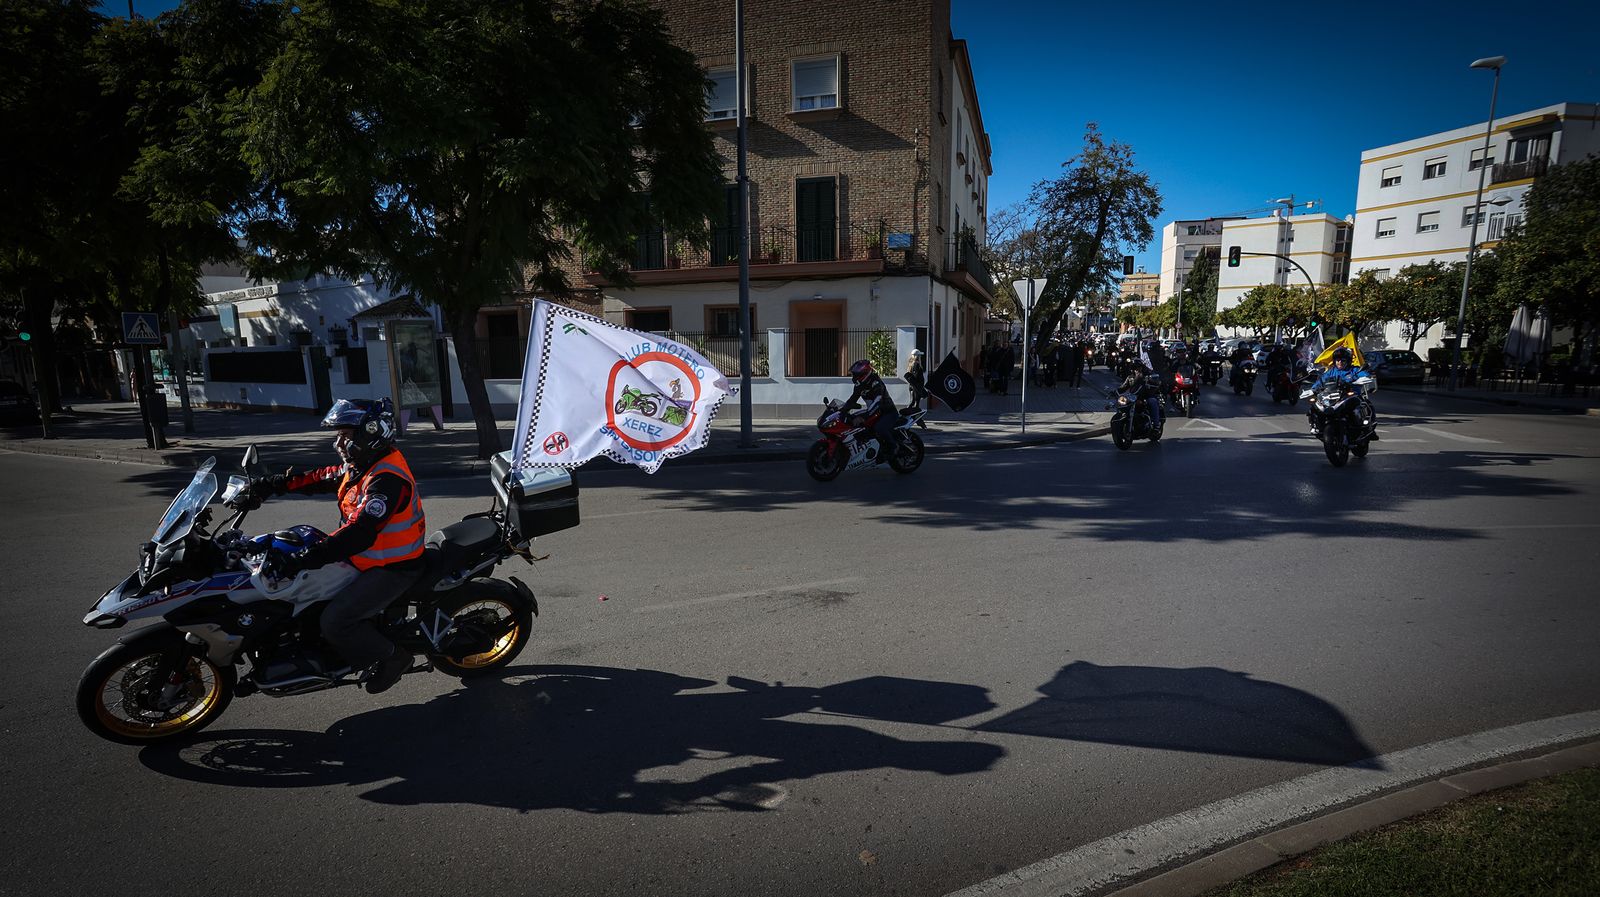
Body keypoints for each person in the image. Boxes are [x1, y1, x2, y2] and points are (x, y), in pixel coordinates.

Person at [229, 397, 427, 695]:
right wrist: (269, 485)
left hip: (393, 567)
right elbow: (321, 477)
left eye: (345, 435)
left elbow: (360, 533)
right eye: (339, 435)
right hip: (364, 559)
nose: (339, 443)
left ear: (371, 433)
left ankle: (394, 658)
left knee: (336, 621)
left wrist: (305, 558)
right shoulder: (362, 465)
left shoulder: (387, 480)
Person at [1309, 346, 1378, 435]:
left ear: (1348, 361)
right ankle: (1317, 427)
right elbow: (1321, 381)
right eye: (1338, 360)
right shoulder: (1330, 372)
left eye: (1343, 360)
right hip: (1332, 397)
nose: (1340, 362)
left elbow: (1365, 374)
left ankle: (1370, 429)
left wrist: (1365, 377)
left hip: (1351, 395)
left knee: (1367, 404)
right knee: (1314, 406)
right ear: (1334, 361)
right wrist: (1313, 389)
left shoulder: (1354, 370)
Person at [842, 359, 903, 456]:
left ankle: (893, 446)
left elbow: (877, 403)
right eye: (853, 374)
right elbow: (853, 399)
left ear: (864, 374)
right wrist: (842, 410)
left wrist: (864, 417)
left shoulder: (876, 384)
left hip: (887, 412)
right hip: (874, 412)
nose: (854, 377)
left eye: (856, 374)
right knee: (852, 421)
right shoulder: (859, 385)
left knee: (879, 428)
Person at [902, 349, 928, 414]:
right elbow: (917, 377)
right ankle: (909, 415)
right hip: (916, 387)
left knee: (912, 402)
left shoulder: (910, 364)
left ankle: (909, 414)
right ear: (918, 356)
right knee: (916, 403)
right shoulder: (917, 365)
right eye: (919, 356)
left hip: (912, 386)